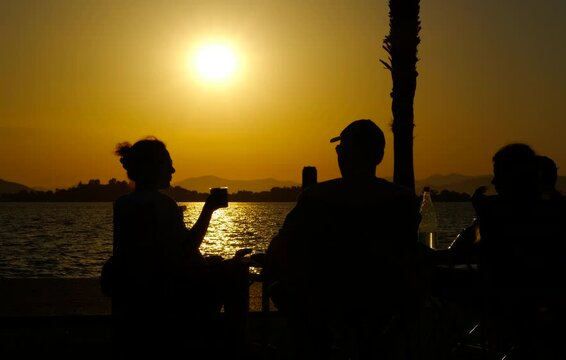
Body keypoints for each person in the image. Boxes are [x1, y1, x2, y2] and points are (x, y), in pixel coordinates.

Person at [264, 119, 423, 359]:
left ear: (344, 155)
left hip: (325, 304)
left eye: (340, 150)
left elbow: (282, 247)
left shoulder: (316, 197)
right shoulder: (405, 201)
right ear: (379, 156)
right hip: (384, 306)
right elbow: (408, 252)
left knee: (281, 289)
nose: (338, 155)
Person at [110, 137, 249, 358]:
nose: (173, 169)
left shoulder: (123, 204)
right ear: (153, 168)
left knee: (215, 261)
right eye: (167, 164)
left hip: (137, 289)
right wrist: (208, 210)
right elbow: (184, 253)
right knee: (238, 270)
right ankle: (236, 343)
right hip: (173, 292)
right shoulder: (162, 204)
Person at [472, 144, 566, 359]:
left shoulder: (502, 212)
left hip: (511, 298)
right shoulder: (560, 209)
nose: (494, 182)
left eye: (498, 175)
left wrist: (483, 215)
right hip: (555, 296)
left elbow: (490, 255)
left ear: (513, 176)